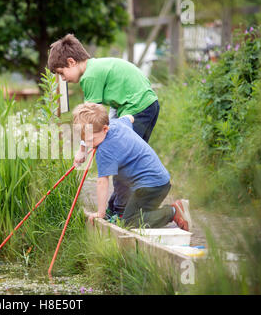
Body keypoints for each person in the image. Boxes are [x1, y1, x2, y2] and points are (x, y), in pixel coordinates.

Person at [48, 34, 160, 220]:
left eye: (61, 73)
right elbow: (106, 113)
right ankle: (115, 208)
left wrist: (82, 150)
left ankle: (120, 212)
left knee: (122, 160)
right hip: (141, 105)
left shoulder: (89, 77)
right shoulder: (95, 68)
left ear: (71, 62)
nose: (63, 78)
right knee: (124, 158)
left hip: (139, 107)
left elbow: (89, 121)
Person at [72, 102, 192, 230]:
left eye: (92, 139)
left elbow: (102, 182)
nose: (89, 144)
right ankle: (137, 213)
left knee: (130, 222)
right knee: (126, 211)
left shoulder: (105, 150)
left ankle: (172, 212)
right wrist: (84, 147)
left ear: (105, 129)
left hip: (150, 187)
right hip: (158, 181)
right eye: (85, 140)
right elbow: (130, 118)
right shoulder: (116, 124)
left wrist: (100, 213)